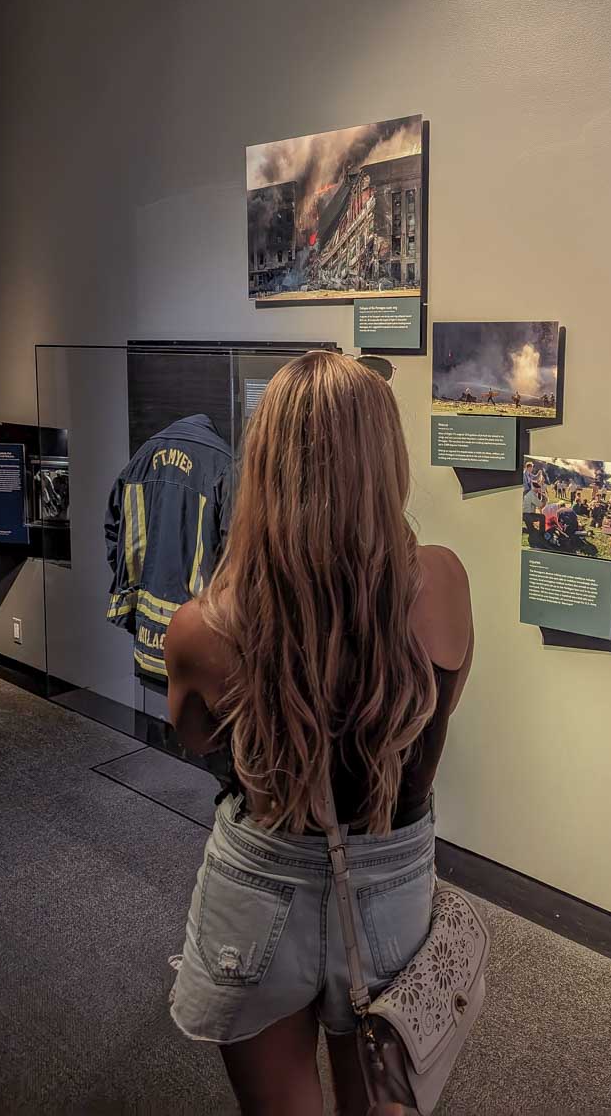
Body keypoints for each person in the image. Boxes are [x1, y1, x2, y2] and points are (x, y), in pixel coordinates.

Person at [163, 353, 474, 1116]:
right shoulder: (443, 581)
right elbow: (439, 712)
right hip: (394, 882)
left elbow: (196, 742)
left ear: (264, 463)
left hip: (258, 883)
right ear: (385, 458)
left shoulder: (204, 626)